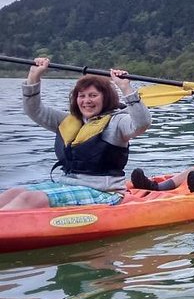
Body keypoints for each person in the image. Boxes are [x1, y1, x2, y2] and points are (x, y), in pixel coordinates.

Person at [0, 57, 152, 211]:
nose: (86, 101)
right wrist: (34, 76)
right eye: (82, 96)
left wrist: (126, 88)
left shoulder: (117, 122)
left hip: (104, 192)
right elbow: (34, 110)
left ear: (105, 98)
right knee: (13, 193)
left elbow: (142, 123)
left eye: (93, 95)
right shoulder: (67, 121)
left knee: (30, 199)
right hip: (67, 184)